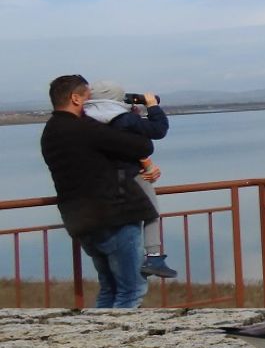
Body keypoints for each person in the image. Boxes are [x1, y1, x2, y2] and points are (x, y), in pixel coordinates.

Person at [40, 75, 158, 308]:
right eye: (87, 99)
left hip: (81, 220)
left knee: (109, 288)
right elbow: (143, 145)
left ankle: (98, 340)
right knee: (131, 291)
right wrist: (135, 117)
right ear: (75, 98)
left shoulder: (51, 131)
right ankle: (119, 342)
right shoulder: (84, 129)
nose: (92, 106)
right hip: (114, 216)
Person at [84, 80, 177, 278]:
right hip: (131, 176)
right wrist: (153, 107)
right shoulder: (124, 119)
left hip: (99, 183)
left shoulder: (85, 121)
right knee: (151, 212)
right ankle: (153, 256)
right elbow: (158, 130)